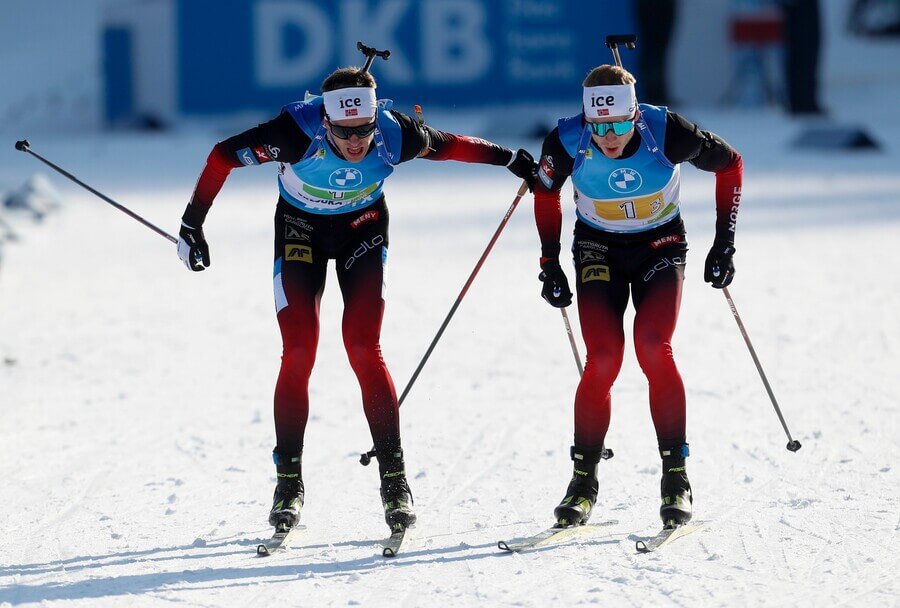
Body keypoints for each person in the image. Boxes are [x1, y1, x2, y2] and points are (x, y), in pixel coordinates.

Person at [176, 65, 537, 534]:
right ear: (325, 120)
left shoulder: (394, 134)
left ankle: (395, 480)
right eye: (344, 132)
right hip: (299, 230)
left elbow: (449, 147)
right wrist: (192, 223)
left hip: (361, 230)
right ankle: (288, 484)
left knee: (364, 347)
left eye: (363, 130)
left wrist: (511, 160)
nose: (355, 142)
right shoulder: (292, 134)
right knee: (300, 349)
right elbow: (222, 156)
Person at [532, 63, 743, 528]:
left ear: (635, 115)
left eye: (619, 124)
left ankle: (676, 477)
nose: (608, 136)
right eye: (599, 126)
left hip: (660, 245)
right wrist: (549, 262)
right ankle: (582, 481)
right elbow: (545, 195)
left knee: (653, 347)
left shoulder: (666, 130)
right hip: (597, 245)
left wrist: (723, 243)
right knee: (603, 358)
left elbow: (731, 164)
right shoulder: (567, 139)